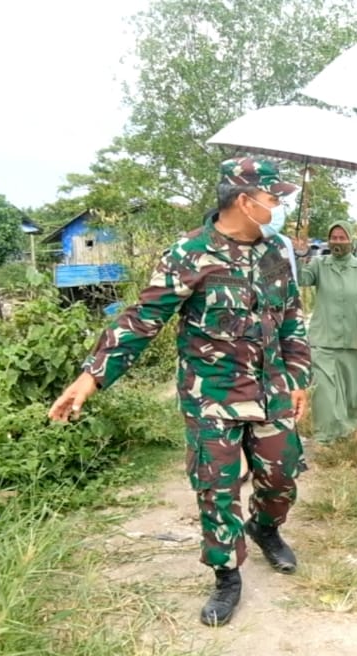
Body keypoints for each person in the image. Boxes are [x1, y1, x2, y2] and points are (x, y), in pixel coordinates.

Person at [48, 157, 310, 628]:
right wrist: (90, 377)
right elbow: (141, 320)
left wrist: (297, 378)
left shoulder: (275, 254)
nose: (279, 207)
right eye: (274, 199)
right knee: (217, 486)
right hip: (211, 394)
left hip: (270, 390)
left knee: (282, 473)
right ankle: (226, 574)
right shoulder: (188, 254)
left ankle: (265, 527)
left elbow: (291, 320)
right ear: (245, 201)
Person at [297, 220, 357, 444]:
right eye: (334, 237)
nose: (337, 242)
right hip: (323, 339)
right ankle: (325, 436)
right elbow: (301, 278)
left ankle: (349, 432)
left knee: (353, 391)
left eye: (342, 238)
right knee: (325, 390)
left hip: (353, 340)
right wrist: (299, 254)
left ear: (350, 240)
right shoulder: (320, 265)